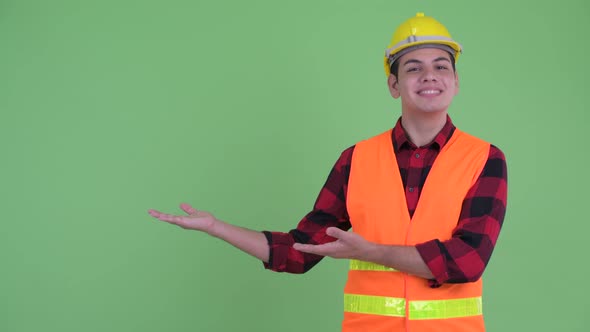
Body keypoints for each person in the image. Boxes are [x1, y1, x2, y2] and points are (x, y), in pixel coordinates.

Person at [148, 12, 507, 332]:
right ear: (394, 84)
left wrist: (373, 252)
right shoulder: (356, 159)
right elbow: (301, 251)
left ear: (456, 81)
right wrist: (217, 227)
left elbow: (468, 260)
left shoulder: (484, 158)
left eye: (441, 66)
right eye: (413, 67)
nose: (429, 75)